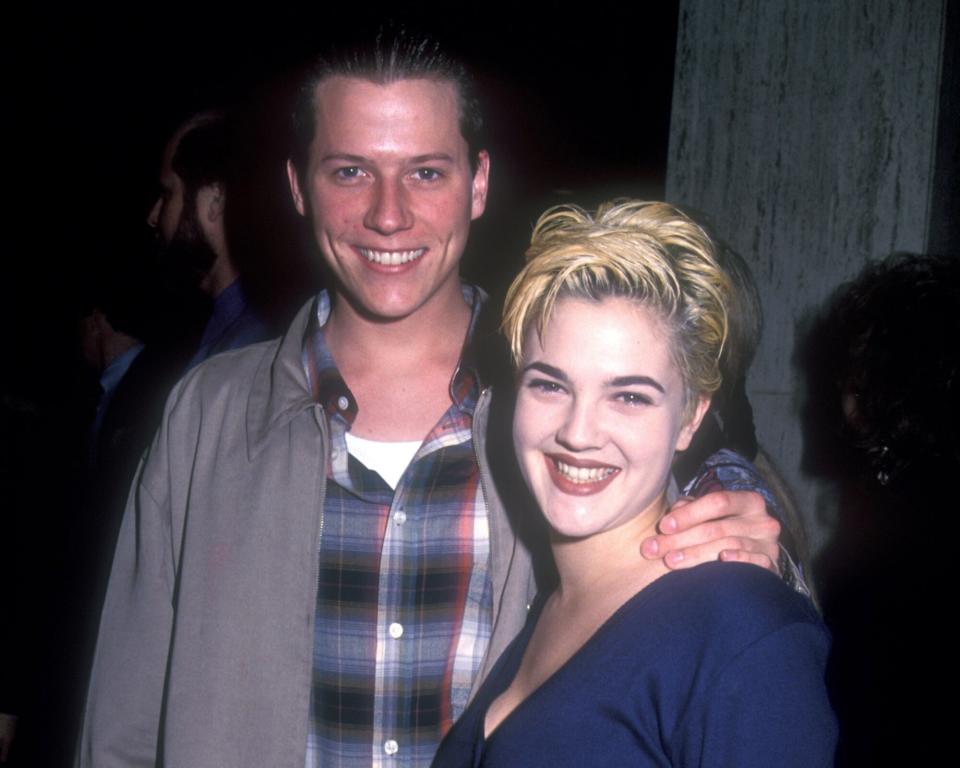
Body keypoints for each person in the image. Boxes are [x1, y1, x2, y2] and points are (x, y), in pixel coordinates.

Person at [76, 29, 788, 768]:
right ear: (297, 186)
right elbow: (122, 725)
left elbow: (734, 614)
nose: (389, 215)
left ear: (478, 184)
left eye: (426, 173)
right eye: (350, 171)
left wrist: (745, 523)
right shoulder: (205, 412)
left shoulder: (563, 408)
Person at [433, 201, 836, 767]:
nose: (577, 433)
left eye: (629, 396)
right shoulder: (548, 604)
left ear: (692, 415)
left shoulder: (741, 628)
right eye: (550, 385)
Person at [147, 110, 270, 367]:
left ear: (215, 200)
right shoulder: (215, 328)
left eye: (168, 194)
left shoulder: (252, 348)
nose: (153, 216)